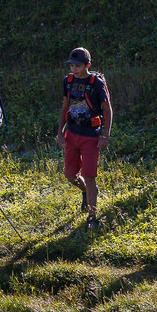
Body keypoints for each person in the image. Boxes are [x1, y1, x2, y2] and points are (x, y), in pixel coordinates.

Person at [57, 47, 111, 230]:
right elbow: (65, 107)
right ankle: (86, 192)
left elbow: (108, 109)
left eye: (77, 66)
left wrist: (105, 135)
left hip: (91, 136)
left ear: (87, 65)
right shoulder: (68, 81)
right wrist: (60, 132)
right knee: (70, 176)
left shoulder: (96, 83)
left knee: (89, 176)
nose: (74, 69)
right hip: (72, 133)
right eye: (71, 65)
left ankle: (92, 217)